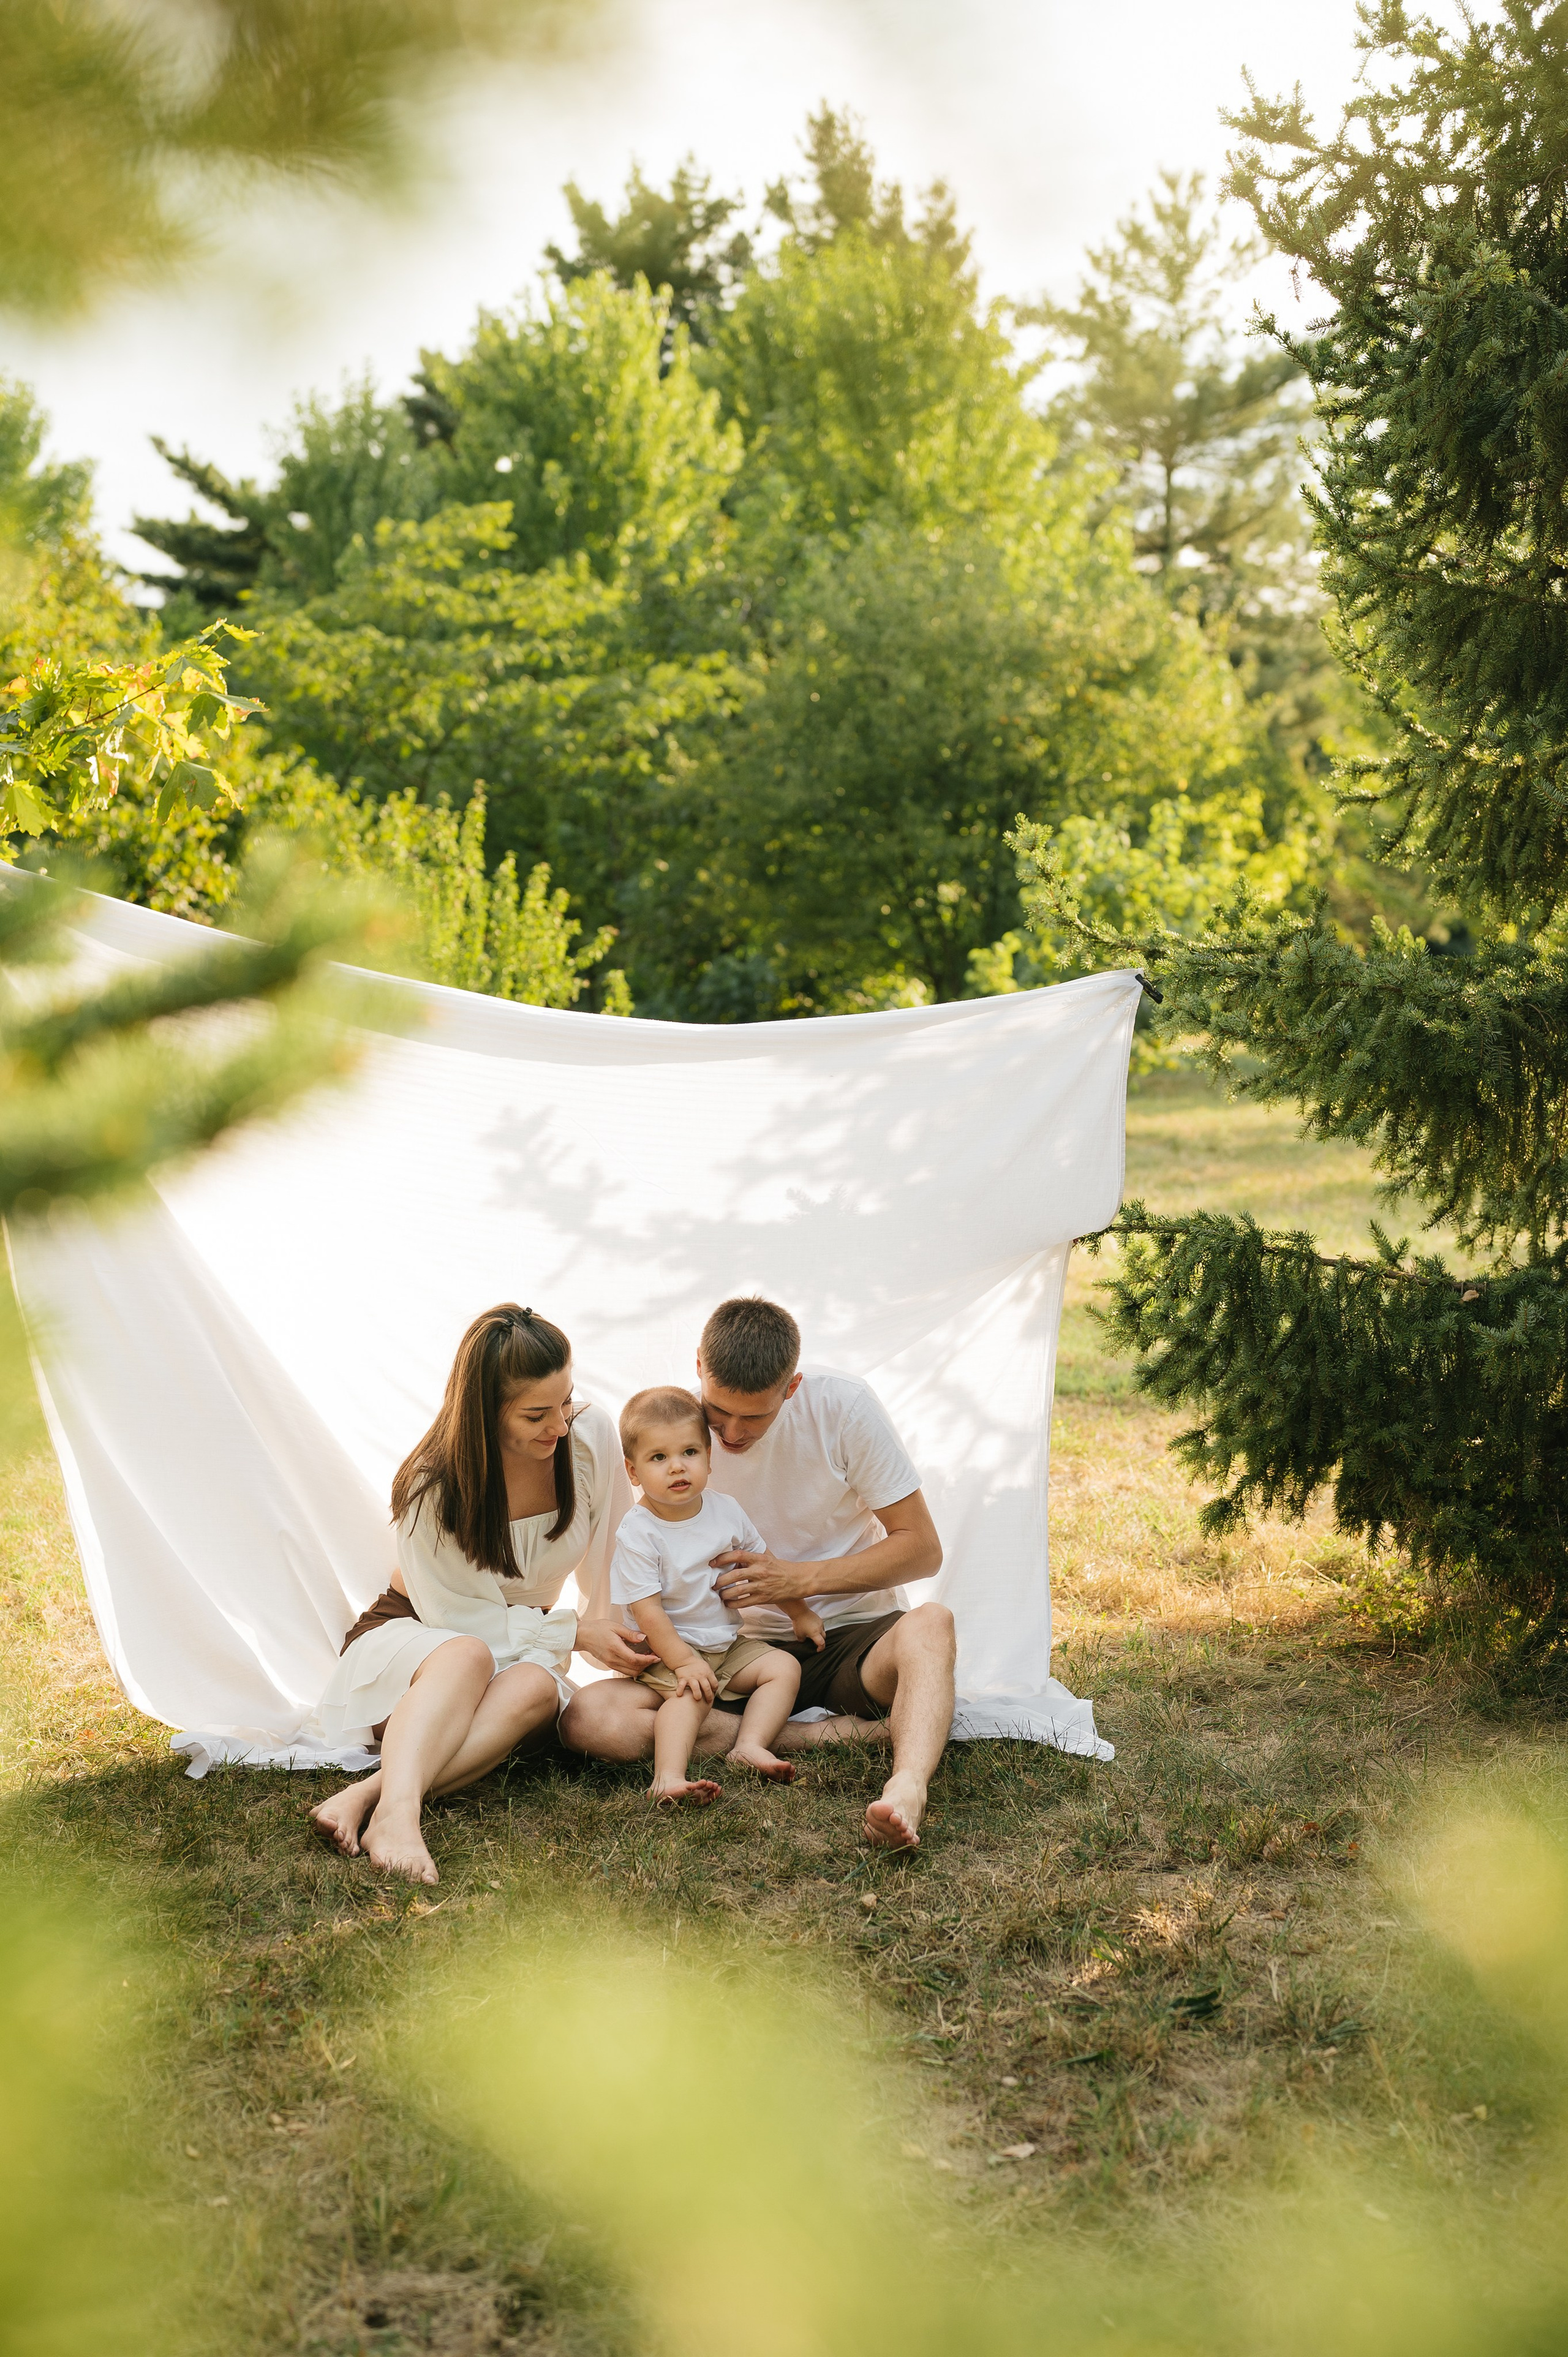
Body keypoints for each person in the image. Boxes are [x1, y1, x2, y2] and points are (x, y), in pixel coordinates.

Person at [561, 1298, 956, 1850]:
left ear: (791, 1388)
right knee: (590, 1719)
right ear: (700, 1365)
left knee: (932, 1624)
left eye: (756, 1418)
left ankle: (907, 1786)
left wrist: (800, 1583)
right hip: (724, 1654)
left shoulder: (843, 1407)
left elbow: (923, 1550)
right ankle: (806, 1736)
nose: (732, 1434)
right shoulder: (674, 1430)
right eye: (719, 1414)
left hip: (843, 1640)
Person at [309, 1303, 650, 1884]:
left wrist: (627, 1645)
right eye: (537, 1413)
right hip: (421, 1645)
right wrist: (571, 1630)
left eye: (566, 1401)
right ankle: (398, 1815)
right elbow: (457, 1620)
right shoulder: (432, 1486)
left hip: (518, 1650)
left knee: (539, 1685)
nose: (561, 1425)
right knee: (469, 1654)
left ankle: (370, 1794)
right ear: (485, 1412)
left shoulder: (588, 1436)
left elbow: (613, 1556)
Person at [611, 1384, 824, 1806]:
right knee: (688, 1698)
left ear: (709, 1457)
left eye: (689, 1452)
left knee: (782, 1668)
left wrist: (799, 1613)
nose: (677, 1468)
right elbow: (648, 1613)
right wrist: (684, 1662)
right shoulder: (638, 1532)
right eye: (659, 1457)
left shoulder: (725, 1510)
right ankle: (668, 1778)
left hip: (724, 1646)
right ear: (633, 1472)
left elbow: (762, 1565)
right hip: (670, 1650)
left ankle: (750, 1745)